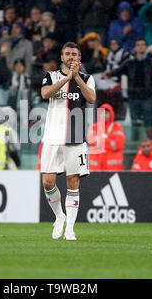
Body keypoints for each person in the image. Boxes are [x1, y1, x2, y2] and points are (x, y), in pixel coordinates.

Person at [40, 41, 96, 241]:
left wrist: (76, 78)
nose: (71, 57)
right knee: (48, 182)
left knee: (73, 182)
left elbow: (91, 98)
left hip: (76, 138)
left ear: (79, 58)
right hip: (52, 138)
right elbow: (45, 93)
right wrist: (66, 79)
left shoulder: (88, 78)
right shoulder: (51, 76)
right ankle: (59, 216)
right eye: (67, 54)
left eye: (74, 54)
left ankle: (70, 229)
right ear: (62, 57)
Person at [102, 37, 152, 141]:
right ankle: (134, 144)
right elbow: (117, 71)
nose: (140, 47)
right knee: (134, 123)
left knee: (149, 122)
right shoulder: (129, 62)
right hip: (134, 97)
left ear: (146, 47)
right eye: (138, 45)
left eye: (143, 44)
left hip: (148, 97)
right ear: (135, 48)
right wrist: (108, 73)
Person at [87, 103, 125, 171]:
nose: (104, 115)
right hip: (96, 166)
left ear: (111, 114)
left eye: (106, 113)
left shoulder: (118, 127)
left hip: (113, 167)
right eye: (102, 113)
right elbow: (91, 142)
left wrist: (101, 140)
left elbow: (118, 144)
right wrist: (109, 141)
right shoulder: (94, 127)